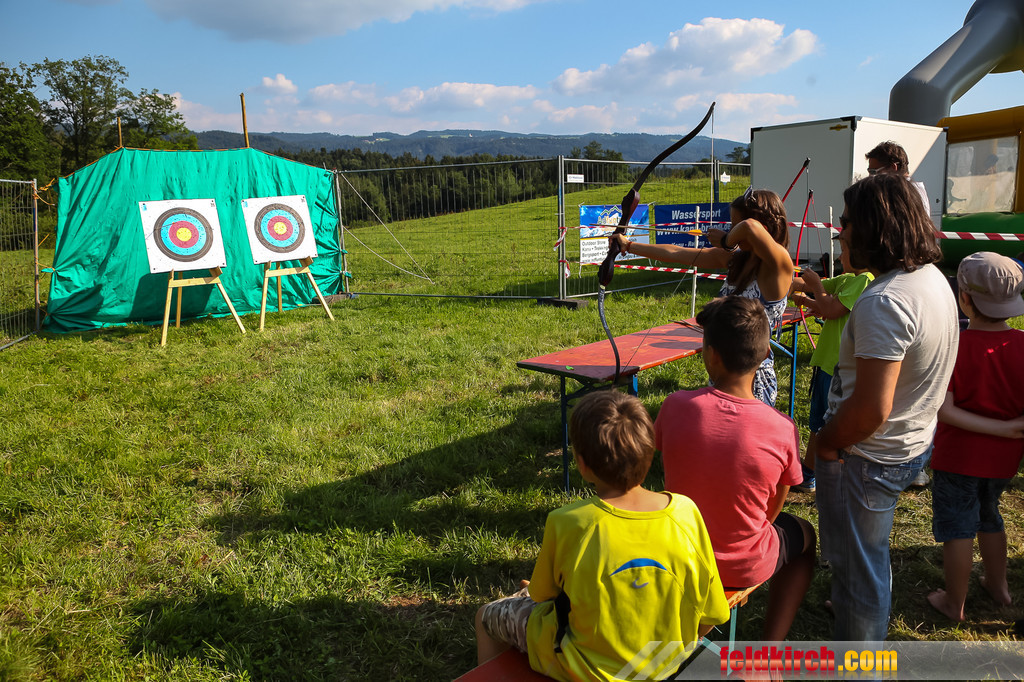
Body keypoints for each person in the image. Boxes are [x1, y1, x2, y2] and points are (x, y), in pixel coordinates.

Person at [475, 390, 730, 680]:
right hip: (665, 666)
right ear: (650, 451)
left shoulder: (568, 522)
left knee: (485, 615)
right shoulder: (686, 512)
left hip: (582, 669)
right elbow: (712, 615)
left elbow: (541, 595)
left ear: (582, 464)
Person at [812, 173, 959, 641]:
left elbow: (871, 409)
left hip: (870, 456)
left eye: (848, 222)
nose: (841, 233)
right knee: (862, 556)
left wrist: (826, 443)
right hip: (907, 442)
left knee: (862, 571)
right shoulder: (929, 279)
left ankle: (860, 660)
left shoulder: (885, 301)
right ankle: (849, 607)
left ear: (875, 228)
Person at [656, 296, 816, 641]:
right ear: (765, 353)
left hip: (678, 554)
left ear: (712, 354)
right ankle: (770, 648)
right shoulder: (782, 427)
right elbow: (774, 506)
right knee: (805, 534)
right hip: (744, 565)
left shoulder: (675, 405)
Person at [610, 189, 794, 406]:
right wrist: (629, 246)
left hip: (751, 381)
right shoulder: (739, 259)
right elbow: (676, 253)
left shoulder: (779, 265)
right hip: (722, 372)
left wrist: (726, 240)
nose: (732, 230)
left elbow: (750, 227)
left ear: (764, 227)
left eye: (735, 225)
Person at [926, 252, 1024, 622]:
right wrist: (1009, 430)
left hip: (957, 458)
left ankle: (954, 603)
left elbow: (944, 410)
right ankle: (999, 587)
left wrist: (1001, 428)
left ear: (964, 297)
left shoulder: (953, 345)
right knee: (990, 515)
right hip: (1004, 460)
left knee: (958, 528)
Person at [788, 232, 874, 493]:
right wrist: (783, 276)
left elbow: (832, 309)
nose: (839, 256)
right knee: (818, 422)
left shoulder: (865, 280)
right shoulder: (848, 279)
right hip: (827, 364)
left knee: (827, 423)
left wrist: (815, 287)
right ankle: (810, 472)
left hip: (838, 368)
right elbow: (816, 293)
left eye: (844, 250)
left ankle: (824, 475)